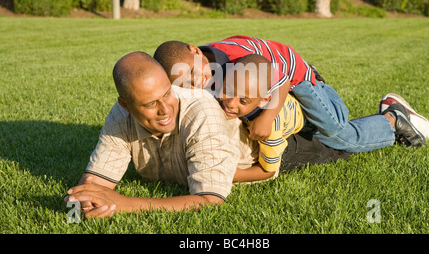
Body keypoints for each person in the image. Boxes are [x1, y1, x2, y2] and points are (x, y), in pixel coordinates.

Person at [65, 51, 352, 219]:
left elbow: (208, 199)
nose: (166, 108)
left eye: (168, 93)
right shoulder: (121, 116)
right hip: (223, 140)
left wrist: (125, 204)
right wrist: (86, 197)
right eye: (151, 103)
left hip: (261, 148)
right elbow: (96, 180)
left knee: (340, 144)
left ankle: (388, 120)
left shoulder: (200, 112)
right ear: (125, 104)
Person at [153, 35, 429, 155]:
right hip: (276, 91)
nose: (196, 81)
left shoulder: (234, 57)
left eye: (194, 73)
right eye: (186, 82)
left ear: (194, 50)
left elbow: (283, 79)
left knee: (338, 135)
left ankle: (392, 119)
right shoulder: (203, 70)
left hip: (303, 84)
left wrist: (268, 117)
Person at [219, 54, 306, 182]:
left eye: (243, 101)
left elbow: (268, 171)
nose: (230, 103)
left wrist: (234, 175)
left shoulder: (271, 128)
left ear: (263, 100)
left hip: (301, 116)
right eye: (228, 91)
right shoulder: (242, 91)